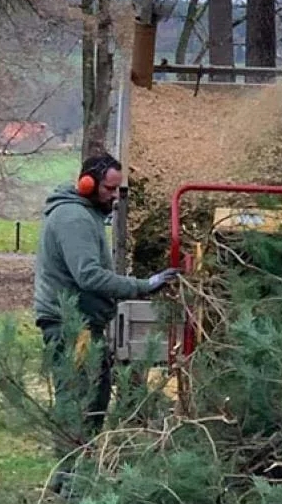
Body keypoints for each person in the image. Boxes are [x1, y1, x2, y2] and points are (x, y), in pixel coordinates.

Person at [34, 152, 178, 458]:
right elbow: (89, 275)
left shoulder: (83, 215)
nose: (114, 197)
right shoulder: (74, 218)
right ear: (87, 184)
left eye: (117, 189)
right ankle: (72, 480)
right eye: (109, 189)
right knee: (79, 402)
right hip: (73, 326)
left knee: (93, 400)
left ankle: (77, 474)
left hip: (82, 323)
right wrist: (144, 285)